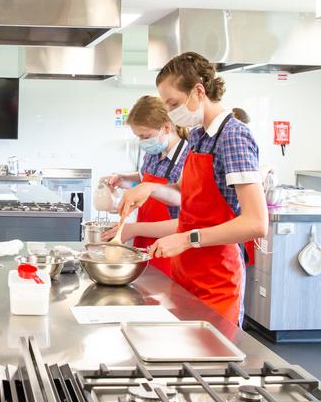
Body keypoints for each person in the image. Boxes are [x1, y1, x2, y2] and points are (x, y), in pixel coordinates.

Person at [117, 52, 268, 326]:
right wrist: (148, 188)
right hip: (185, 273)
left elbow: (256, 223)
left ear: (198, 91)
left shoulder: (233, 136)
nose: (171, 112)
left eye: (173, 103)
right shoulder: (198, 136)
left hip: (216, 279)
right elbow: (184, 194)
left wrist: (187, 239)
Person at [101, 95, 189, 277]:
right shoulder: (153, 154)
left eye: (145, 136)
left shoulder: (187, 158)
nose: (142, 142)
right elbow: (143, 181)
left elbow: (185, 222)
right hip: (145, 244)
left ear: (166, 127)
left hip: (171, 251)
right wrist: (122, 179)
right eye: (138, 137)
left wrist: (134, 229)